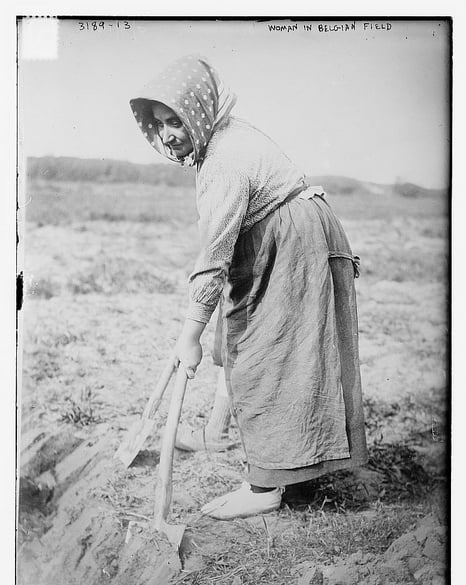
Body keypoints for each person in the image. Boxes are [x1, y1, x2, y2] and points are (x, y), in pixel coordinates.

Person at [130, 55, 368, 520]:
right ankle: (228, 437)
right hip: (279, 233)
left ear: (198, 109)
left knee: (269, 355)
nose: (168, 135)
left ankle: (266, 486)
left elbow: (213, 258)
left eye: (175, 120)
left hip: (295, 242)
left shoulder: (223, 158)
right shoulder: (218, 138)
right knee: (242, 336)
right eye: (159, 125)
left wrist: (188, 335)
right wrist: (200, 327)